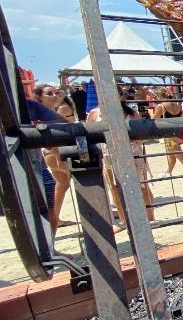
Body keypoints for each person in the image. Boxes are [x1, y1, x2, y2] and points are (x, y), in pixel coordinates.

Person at [87, 89, 154, 232]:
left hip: (133, 154)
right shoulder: (94, 114)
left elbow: (142, 134)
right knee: (115, 188)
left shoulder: (131, 113)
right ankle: (124, 221)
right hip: (109, 156)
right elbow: (90, 135)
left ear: (120, 96)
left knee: (142, 186)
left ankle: (150, 218)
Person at [33, 84, 77, 231]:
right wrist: (58, 154)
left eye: (55, 92)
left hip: (57, 151)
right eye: (49, 93)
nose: (54, 95)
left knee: (62, 185)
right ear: (40, 97)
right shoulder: (41, 113)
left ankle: (56, 218)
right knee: (75, 179)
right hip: (53, 153)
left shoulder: (52, 111)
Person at [26, 97, 66, 236]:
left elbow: (62, 121)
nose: (55, 95)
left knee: (49, 189)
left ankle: (50, 247)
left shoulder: (29, 105)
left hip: (36, 163)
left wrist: (36, 125)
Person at [151, 88, 183, 178]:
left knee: (180, 156)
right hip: (178, 132)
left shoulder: (161, 106)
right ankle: (168, 172)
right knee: (171, 155)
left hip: (169, 134)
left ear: (159, 96)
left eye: (155, 97)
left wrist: (149, 112)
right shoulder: (178, 105)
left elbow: (153, 120)